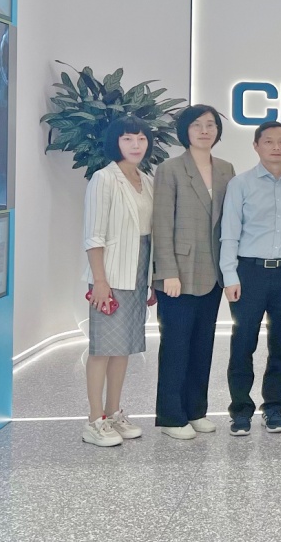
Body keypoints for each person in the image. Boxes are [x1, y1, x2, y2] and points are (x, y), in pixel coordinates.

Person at [220, 120, 281, 436]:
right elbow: (229, 233)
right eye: (269, 141)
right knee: (243, 342)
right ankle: (240, 411)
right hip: (249, 272)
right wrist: (229, 275)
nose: (276, 147)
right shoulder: (241, 184)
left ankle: (274, 408)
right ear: (256, 146)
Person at [151, 105, 235, 440]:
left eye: (211, 125)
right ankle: (171, 417)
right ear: (185, 130)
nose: (204, 130)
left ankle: (196, 410)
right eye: (197, 125)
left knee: (203, 345)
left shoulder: (226, 169)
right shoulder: (170, 169)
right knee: (176, 346)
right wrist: (167, 271)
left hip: (213, 273)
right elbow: (161, 224)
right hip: (179, 274)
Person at [80, 116, 156, 447]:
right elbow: (93, 235)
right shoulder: (103, 178)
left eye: (141, 139)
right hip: (110, 275)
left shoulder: (147, 180)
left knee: (123, 348)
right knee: (102, 348)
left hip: (137, 273)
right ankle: (94, 419)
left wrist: (150, 279)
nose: (135, 145)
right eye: (127, 139)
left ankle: (113, 412)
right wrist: (99, 280)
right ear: (116, 142)